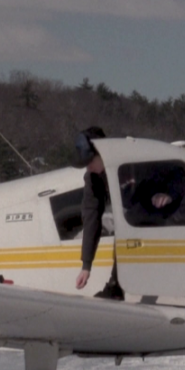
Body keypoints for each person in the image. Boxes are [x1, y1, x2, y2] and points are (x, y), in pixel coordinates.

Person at [72, 127, 124, 300]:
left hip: (160, 215)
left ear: (103, 153)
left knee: (130, 223)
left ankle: (117, 284)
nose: (88, 167)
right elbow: (91, 217)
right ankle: (116, 286)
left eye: (90, 161)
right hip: (132, 220)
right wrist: (86, 266)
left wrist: (168, 195)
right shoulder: (93, 177)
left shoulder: (129, 164)